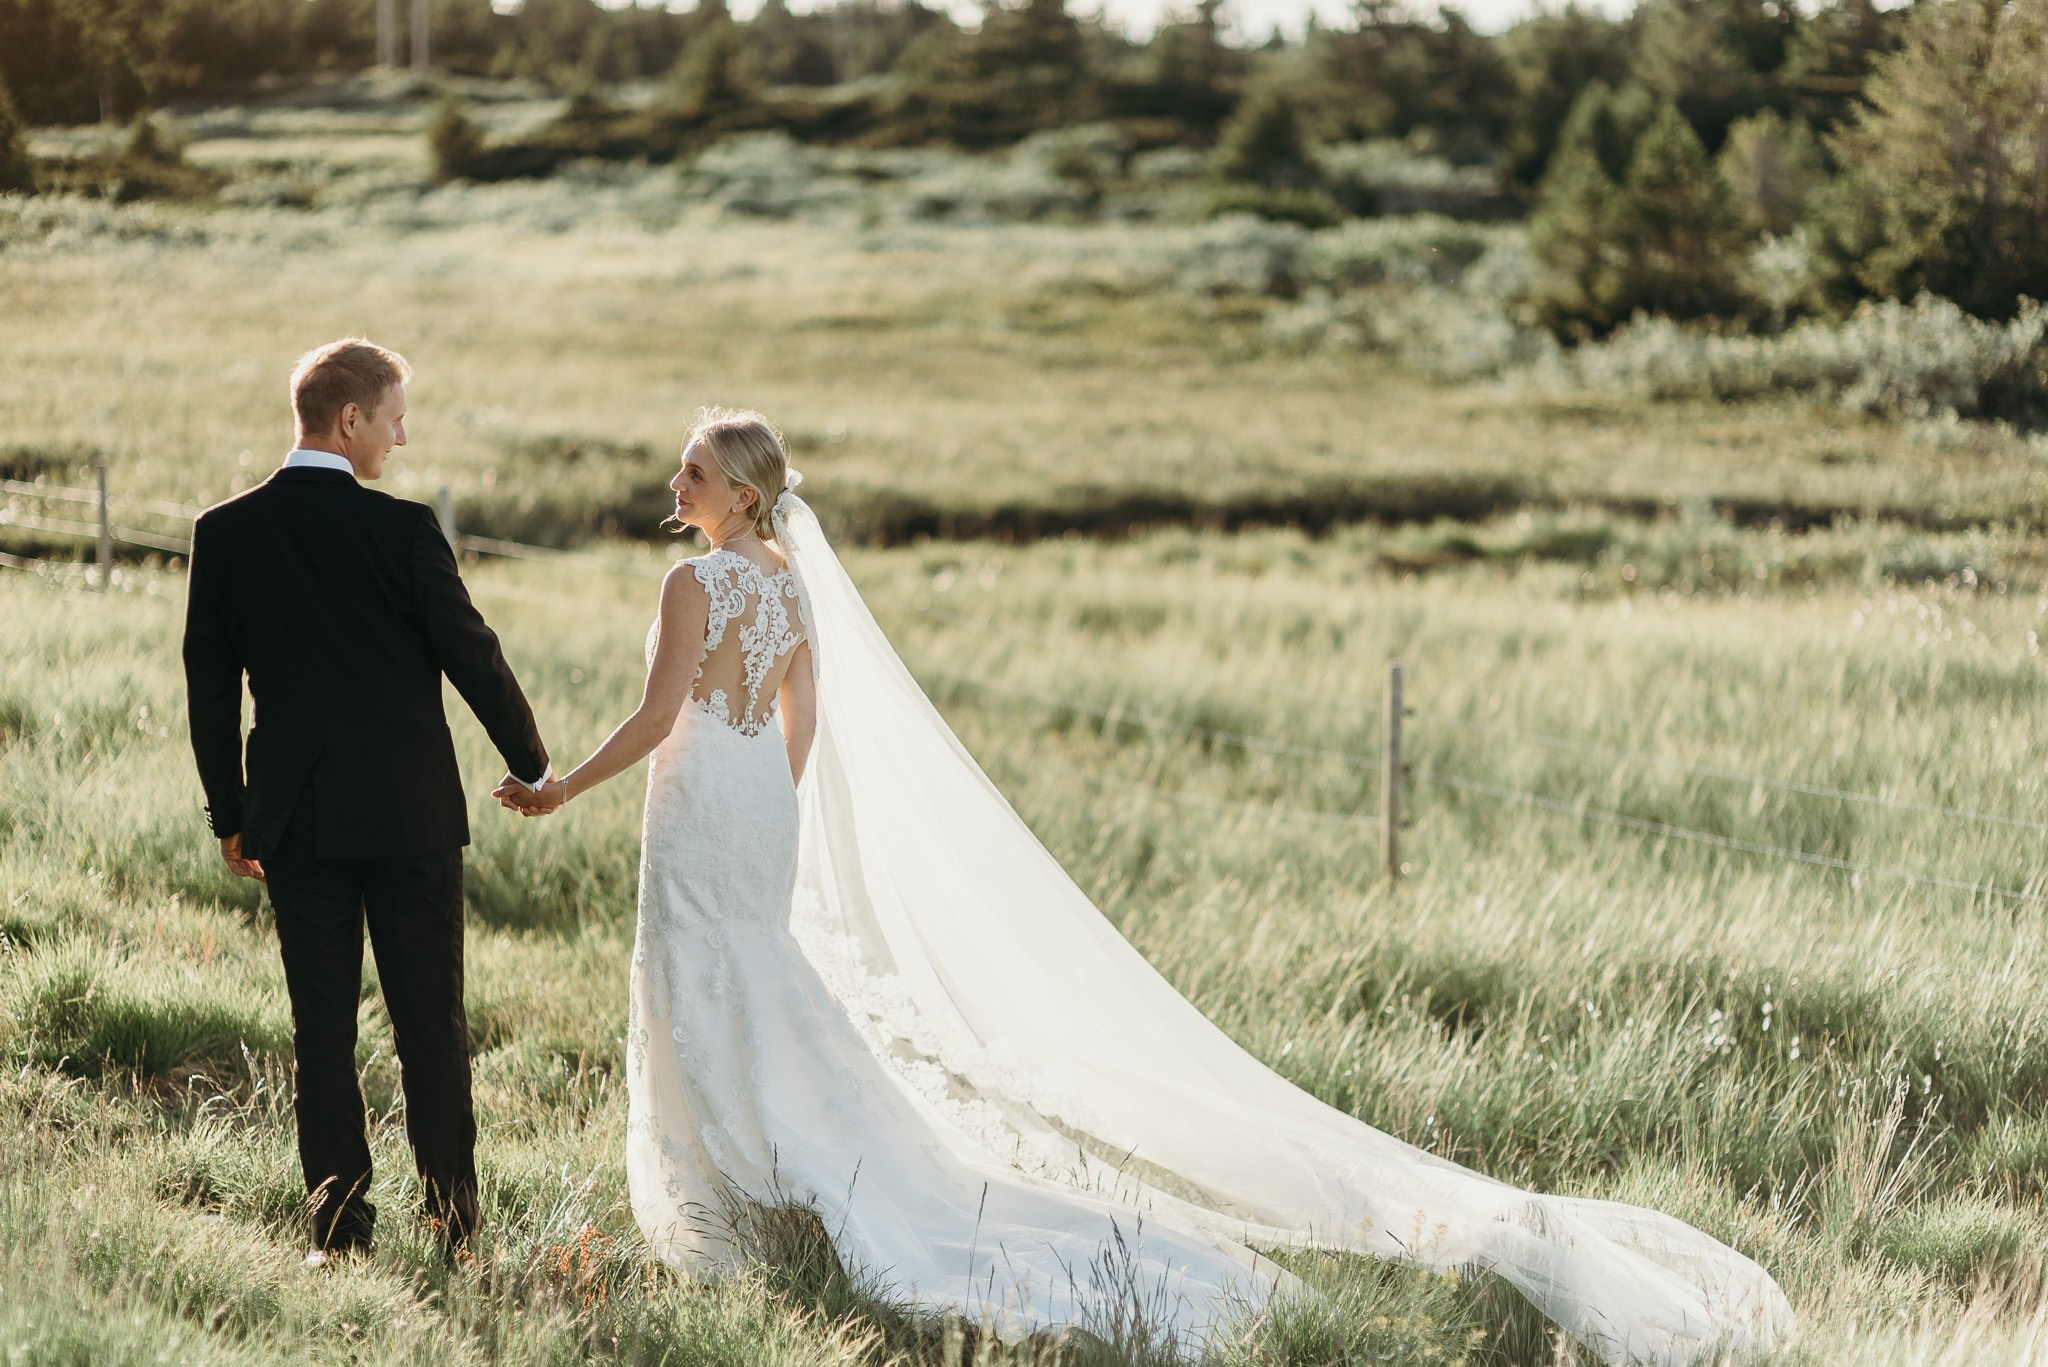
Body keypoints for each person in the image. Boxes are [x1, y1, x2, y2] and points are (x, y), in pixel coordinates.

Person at [498, 407, 1797, 1363]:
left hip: (697, 797)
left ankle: (734, 1204)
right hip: (756, 805)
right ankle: (776, 1182)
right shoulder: (791, 591)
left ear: (731, 489)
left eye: (692, 467)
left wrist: (562, 786)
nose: (676, 481)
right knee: (757, 976)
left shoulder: (690, 580)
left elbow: (660, 710)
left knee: (694, 979)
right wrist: (763, 807)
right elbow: (803, 728)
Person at [183, 338, 553, 1265]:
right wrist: (532, 761)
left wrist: (231, 812)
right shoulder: (403, 530)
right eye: (392, 416)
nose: (401, 433)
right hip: (410, 818)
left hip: (295, 821)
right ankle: (455, 1229)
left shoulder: (224, 531)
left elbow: (207, 686)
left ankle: (338, 1235)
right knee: (433, 1026)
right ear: (349, 420)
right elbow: (473, 651)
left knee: (322, 1031)